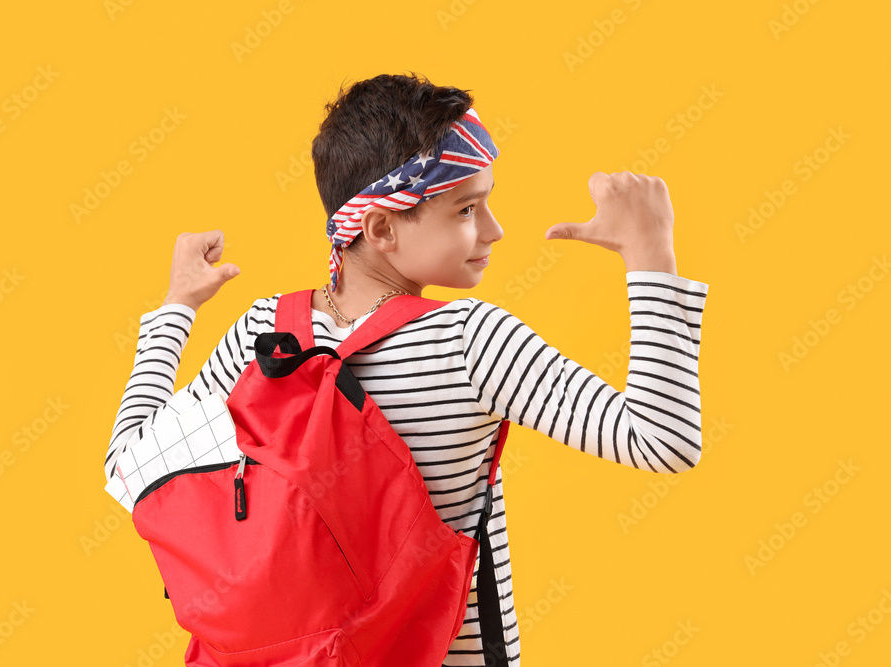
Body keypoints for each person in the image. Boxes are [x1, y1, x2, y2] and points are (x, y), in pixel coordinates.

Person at [105, 72, 709, 666]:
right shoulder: (470, 341)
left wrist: (178, 306)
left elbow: (128, 462)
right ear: (383, 227)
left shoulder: (266, 332)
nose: (494, 230)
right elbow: (664, 438)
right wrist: (651, 253)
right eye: (468, 209)